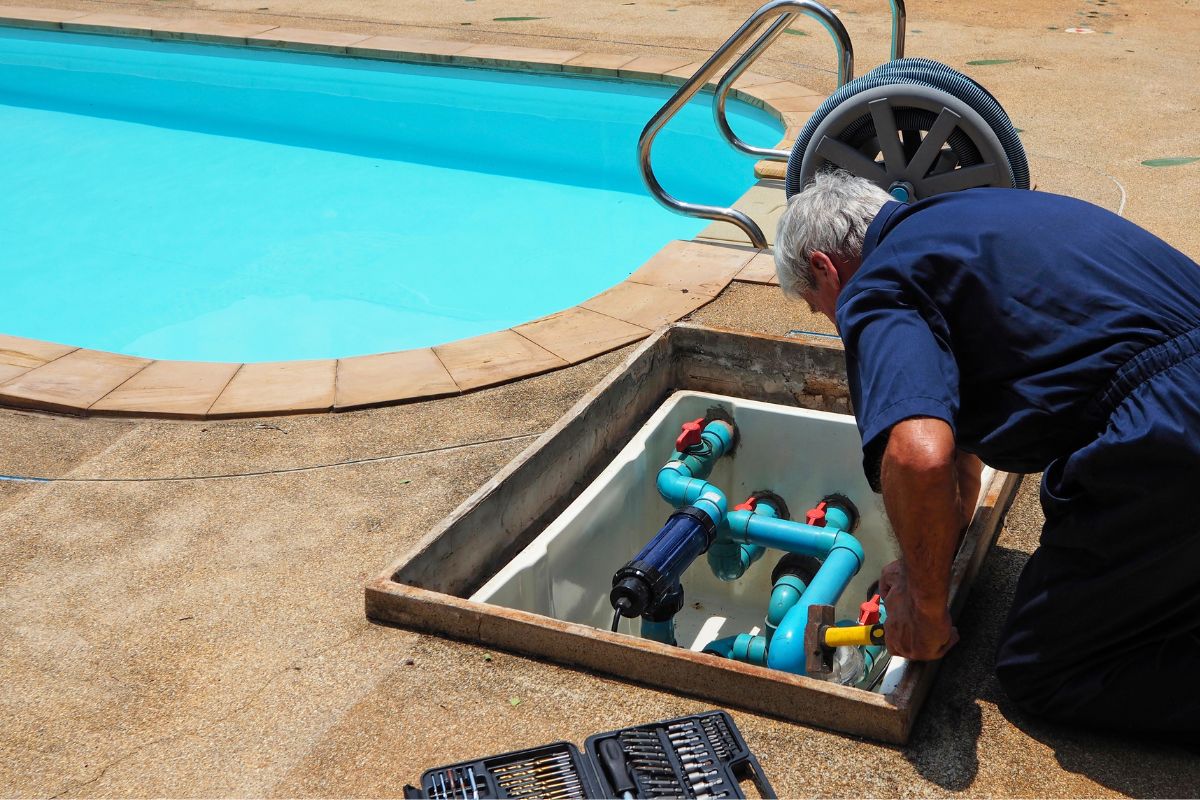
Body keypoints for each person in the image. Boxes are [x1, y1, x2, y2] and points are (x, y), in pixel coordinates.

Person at [773, 169, 1200, 735]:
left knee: (1043, 667)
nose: (831, 321)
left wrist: (925, 611)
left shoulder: (876, 286)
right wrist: (926, 565)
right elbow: (958, 462)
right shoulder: (967, 219)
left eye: (816, 305)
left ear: (826, 268)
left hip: (1172, 427)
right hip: (1180, 390)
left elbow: (917, 455)